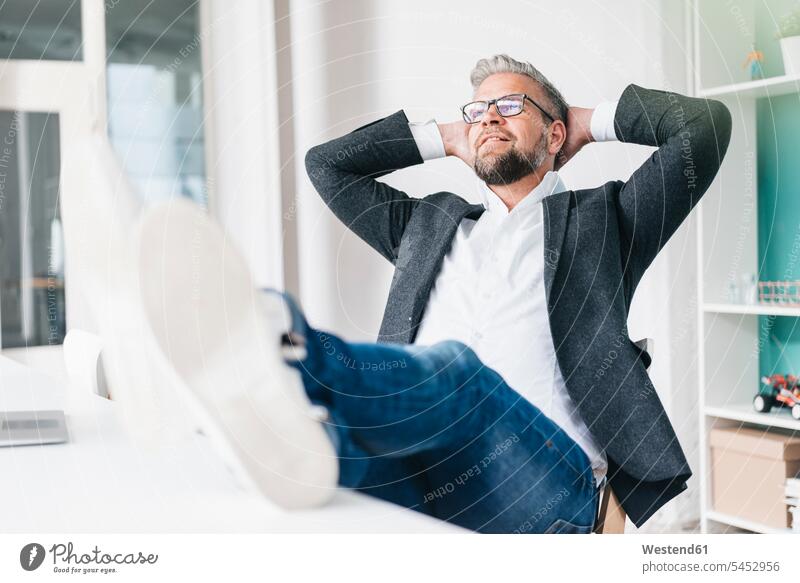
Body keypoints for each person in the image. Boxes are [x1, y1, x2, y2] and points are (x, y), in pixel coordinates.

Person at [139, 54, 731, 533]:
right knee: (333, 459)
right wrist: (450, 136)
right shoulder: (428, 227)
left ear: (555, 133)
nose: (488, 119)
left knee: (457, 376)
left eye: (508, 106)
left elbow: (703, 129)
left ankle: (269, 342)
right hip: (424, 473)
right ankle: (228, 397)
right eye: (476, 110)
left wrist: (587, 121)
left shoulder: (608, 223)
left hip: (550, 489)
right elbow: (327, 166)